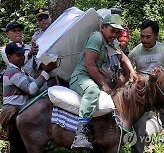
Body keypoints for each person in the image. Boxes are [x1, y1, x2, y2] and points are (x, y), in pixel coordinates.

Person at [69, 14, 138, 149]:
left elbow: (122, 57)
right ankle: (80, 135)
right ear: (102, 28)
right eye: (112, 31)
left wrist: (132, 72)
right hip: (81, 77)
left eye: (117, 32)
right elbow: (90, 64)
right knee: (92, 90)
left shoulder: (112, 43)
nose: (114, 35)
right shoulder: (97, 37)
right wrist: (104, 85)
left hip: (95, 79)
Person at [128, 20, 164, 153]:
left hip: (161, 92)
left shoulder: (162, 49)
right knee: (139, 129)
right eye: (142, 36)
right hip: (143, 94)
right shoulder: (135, 52)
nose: (144, 40)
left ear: (156, 35)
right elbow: (127, 73)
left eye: (148, 37)